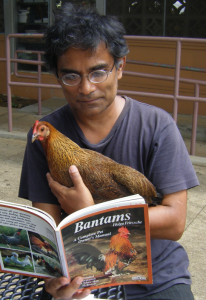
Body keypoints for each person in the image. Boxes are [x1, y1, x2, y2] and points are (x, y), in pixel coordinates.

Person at [19, 3, 199, 300]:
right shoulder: (45, 133)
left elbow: (174, 222)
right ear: (58, 77)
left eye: (98, 72)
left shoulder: (156, 126)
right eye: (71, 76)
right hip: (81, 271)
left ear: (120, 67)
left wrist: (89, 214)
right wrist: (54, 274)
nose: (86, 88)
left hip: (154, 275)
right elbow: (47, 225)